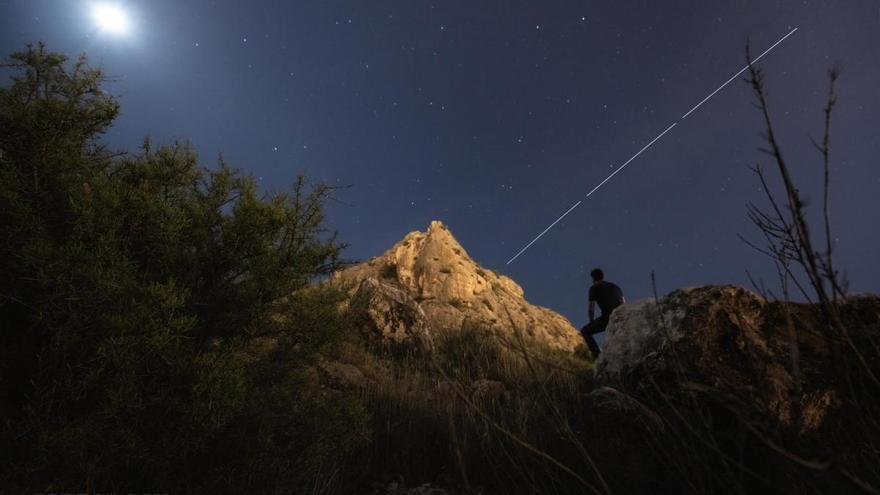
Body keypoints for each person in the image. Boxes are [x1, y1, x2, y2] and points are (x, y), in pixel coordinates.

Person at [580, 268, 625, 358]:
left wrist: (591, 321)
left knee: (585, 331)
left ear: (593, 279)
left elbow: (591, 309)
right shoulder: (615, 286)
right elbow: (624, 303)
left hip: (608, 317)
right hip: (621, 316)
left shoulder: (594, 288)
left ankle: (597, 356)